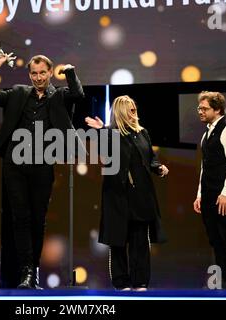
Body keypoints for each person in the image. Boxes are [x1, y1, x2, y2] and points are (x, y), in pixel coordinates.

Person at [0, 53, 84, 289]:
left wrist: (69, 71)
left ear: (49, 73)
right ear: (30, 75)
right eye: (34, 73)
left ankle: (34, 270)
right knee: (20, 218)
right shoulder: (19, 92)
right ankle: (26, 272)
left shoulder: (58, 95)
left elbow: (78, 94)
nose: (38, 77)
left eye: (42, 73)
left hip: (43, 164)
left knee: (37, 219)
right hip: (14, 165)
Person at [86, 95, 169, 290]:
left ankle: (140, 282)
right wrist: (102, 131)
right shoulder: (111, 134)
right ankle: (121, 282)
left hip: (141, 195)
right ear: (121, 112)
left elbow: (151, 158)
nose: (135, 113)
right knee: (118, 241)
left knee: (140, 241)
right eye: (130, 110)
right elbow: (107, 155)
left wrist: (159, 168)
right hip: (117, 196)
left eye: (135, 109)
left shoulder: (143, 133)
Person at [193, 91, 226, 289]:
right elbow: (206, 167)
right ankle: (221, 281)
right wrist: (200, 194)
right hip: (209, 195)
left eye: (204, 108)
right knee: (215, 239)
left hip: (223, 196)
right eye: (199, 108)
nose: (200, 112)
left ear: (218, 109)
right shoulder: (207, 133)